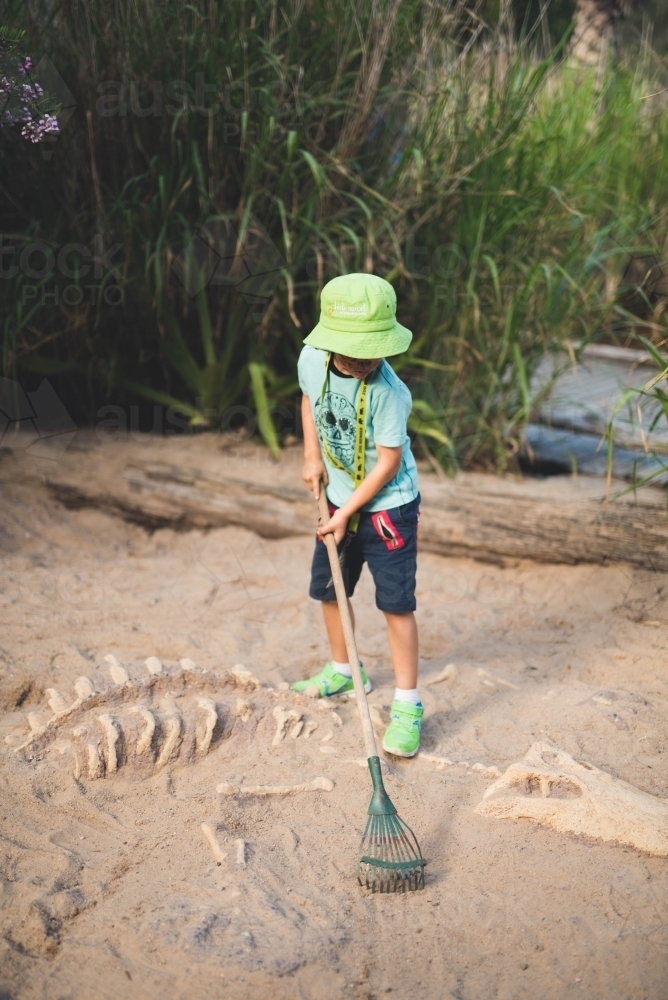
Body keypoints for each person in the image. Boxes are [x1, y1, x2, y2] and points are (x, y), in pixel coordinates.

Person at [291, 272, 423, 758]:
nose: (365, 363)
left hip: (388, 508)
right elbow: (308, 399)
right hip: (338, 498)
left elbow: (388, 463)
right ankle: (346, 671)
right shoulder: (312, 360)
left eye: (373, 353)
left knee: (395, 604)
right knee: (330, 588)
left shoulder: (390, 393)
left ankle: (408, 704)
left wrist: (345, 511)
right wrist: (312, 456)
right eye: (353, 353)